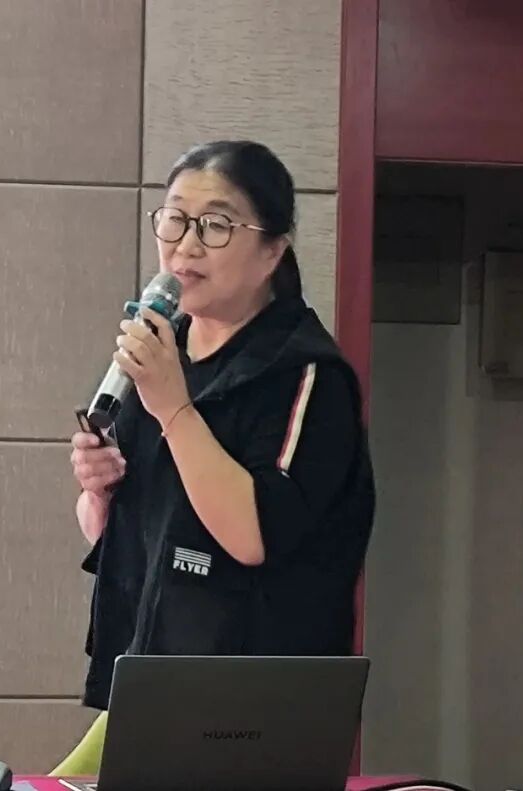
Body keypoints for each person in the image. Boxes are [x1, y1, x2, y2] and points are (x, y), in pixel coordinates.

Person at [50, 140, 375, 776]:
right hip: (156, 673)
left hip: (254, 698)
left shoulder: (305, 374)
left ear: (273, 251)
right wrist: (100, 492)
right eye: (174, 219)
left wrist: (174, 409)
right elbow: (122, 537)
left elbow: (254, 536)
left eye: (216, 225)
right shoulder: (159, 352)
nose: (186, 246)